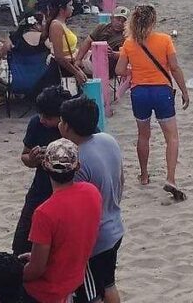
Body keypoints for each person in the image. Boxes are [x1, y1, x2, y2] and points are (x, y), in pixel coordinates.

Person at [116, 4, 190, 201]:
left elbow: (119, 70)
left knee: (143, 135)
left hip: (139, 92)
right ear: (153, 21)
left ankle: (144, 175)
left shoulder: (129, 43)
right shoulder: (164, 40)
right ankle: (171, 178)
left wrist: (135, 71)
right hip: (161, 91)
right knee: (171, 137)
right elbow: (174, 67)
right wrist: (184, 91)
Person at [58, 97, 125, 303]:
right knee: (108, 283)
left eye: (61, 121)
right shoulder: (108, 140)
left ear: (67, 127)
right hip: (115, 225)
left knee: (96, 291)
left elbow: (76, 208)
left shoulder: (77, 160)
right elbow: (122, 179)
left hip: (95, 238)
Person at [21, 138, 102, 303]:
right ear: (77, 166)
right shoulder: (92, 192)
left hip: (49, 290)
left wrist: (15, 272)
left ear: (44, 166)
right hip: (77, 278)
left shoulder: (44, 212)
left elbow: (36, 270)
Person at [12, 86, 70, 257]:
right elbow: (25, 156)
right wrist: (32, 159)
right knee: (22, 242)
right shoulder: (37, 124)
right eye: (41, 114)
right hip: (41, 189)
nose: (43, 120)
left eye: (49, 117)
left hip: (67, 191)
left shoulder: (73, 128)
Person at [44, 0, 87, 87]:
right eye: (70, 5)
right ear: (61, 8)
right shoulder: (56, 25)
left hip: (70, 64)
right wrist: (76, 72)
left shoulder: (62, 23)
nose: (73, 8)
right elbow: (59, 57)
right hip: (63, 69)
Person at [74, 6, 129, 77]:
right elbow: (87, 42)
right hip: (94, 58)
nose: (120, 23)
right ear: (111, 18)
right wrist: (79, 59)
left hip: (105, 67)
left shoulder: (127, 35)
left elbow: (127, 54)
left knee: (70, 63)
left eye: (123, 21)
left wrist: (113, 54)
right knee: (76, 54)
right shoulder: (102, 27)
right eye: (118, 19)